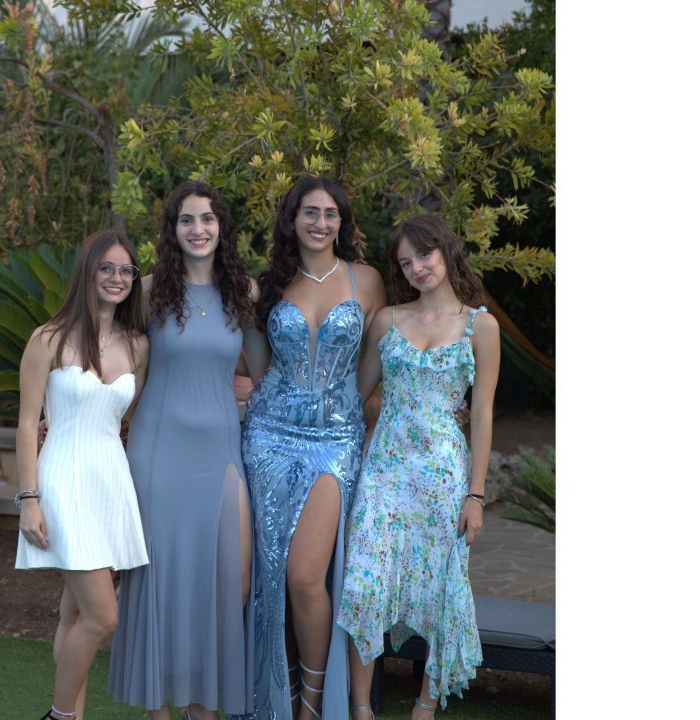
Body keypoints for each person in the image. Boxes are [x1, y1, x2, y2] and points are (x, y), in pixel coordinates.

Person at [337, 215, 501, 720]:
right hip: (384, 472)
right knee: (364, 582)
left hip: (444, 477)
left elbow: (483, 413)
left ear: (446, 251)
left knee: (440, 588)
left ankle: (424, 707)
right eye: (406, 263)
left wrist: (476, 495)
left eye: (424, 255)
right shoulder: (387, 320)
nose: (417, 268)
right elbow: (355, 394)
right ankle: (361, 708)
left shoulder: (481, 326)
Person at [108, 181, 257, 720]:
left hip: (221, 453)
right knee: (161, 579)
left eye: (208, 219)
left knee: (229, 581)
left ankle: (203, 703)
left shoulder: (245, 292)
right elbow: (108, 351)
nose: (198, 229)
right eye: (187, 220)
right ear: (172, 230)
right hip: (159, 452)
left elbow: (264, 369)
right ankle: (159, 710)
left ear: (222, 227)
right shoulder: (148, 291)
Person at [241, 176, 387, 720]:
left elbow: (377, 363)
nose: (321, 223)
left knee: (306, 576)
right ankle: (270, 696)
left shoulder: (365, 281)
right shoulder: (267, 286)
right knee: (270, 576)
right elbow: (257, 368)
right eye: (310, 212)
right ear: (292, 219)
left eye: (330, 214)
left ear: (342, 223)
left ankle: (312, 702)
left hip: (336, 441)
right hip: (269, 438)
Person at [14, 229, 151, 720]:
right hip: (63, 482)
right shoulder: (48, 338)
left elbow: (132, 419)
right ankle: (60, 715)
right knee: (102, 616)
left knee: (74, 613)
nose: (117, 278)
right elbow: (26, 423)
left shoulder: (138, 345)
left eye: (126, 270)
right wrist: (29, 498)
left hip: (110, 485)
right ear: (87, 271)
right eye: (106, 268)